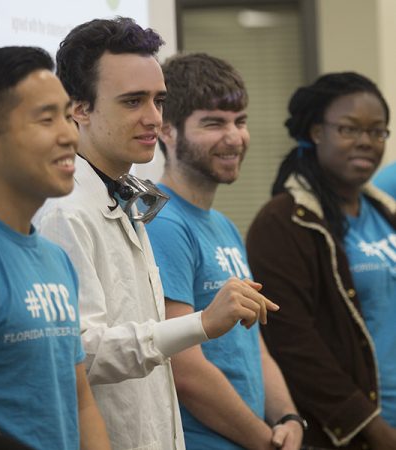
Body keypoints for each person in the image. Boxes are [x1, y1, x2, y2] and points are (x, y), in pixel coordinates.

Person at [34, 17, 279, 450]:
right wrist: (200, 323)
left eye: (158, 100)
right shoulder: (65, 212)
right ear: (79, 108)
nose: (153, 118)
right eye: (132, 101)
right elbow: (80, 353)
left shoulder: (124, 196)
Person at [0, 46, 111, 450]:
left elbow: (81, 402)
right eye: (46, 119)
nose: (69, 134)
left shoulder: (54, 257)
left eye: (68, 115)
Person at [146, 52, 303, 450]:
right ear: (167, 130)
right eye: (213, 123)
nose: (234, 137)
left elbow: (254, 343)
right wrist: (265, 442)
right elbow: (186, 368)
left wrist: (288, 418)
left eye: (240, 121)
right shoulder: (162, 223)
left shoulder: (224, 225)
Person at [246, 72, 396, 450]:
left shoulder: (386, 213)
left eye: (378, 132)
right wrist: (374, 430)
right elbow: (295, 345)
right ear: (316, 132)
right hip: (354, 435)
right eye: (349, 129)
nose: (366, 142)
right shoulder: (283, 223)